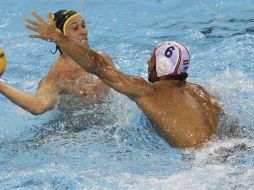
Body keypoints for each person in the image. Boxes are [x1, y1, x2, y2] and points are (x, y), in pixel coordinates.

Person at [24, 12, 221, 148]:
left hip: (201, 163)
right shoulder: (203, 93)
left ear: (161, 66)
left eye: (152, 60)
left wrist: (58, 38)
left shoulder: (147, 91)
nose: (147, 62)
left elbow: (98, 67)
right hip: (228, 148)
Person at [0, 10, 111, 115]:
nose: (84, 31)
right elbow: (38, 106)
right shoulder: (57, 76)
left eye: (83, 25)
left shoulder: (102, 58)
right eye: (75, 28)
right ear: (60, 36)